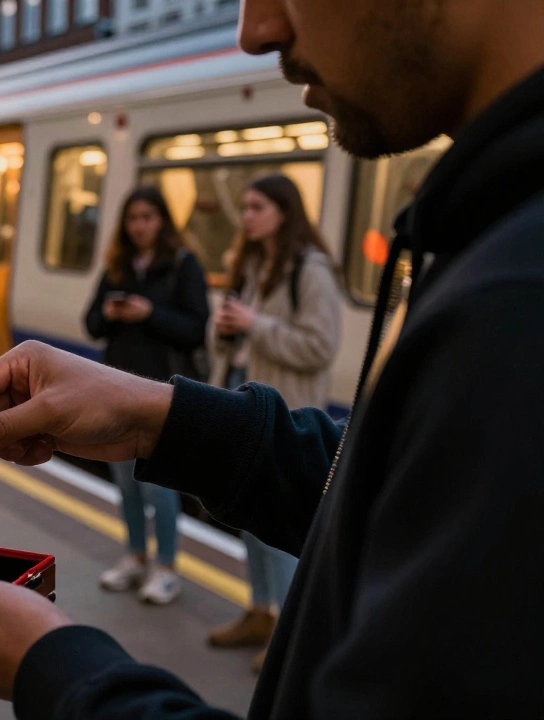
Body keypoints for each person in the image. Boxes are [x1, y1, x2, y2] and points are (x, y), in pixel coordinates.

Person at [0, 0, 544, 716]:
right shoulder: (499, 237)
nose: (256, 30)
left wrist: (54, 670)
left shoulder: (517, 300)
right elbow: (400, 492)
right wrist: (164, 420)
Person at [207, 173, 342, 671]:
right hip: (244, 402)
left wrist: (253, 326)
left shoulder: (311, 268)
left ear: (284, 211)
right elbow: (228, 336)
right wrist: (223, 330)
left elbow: (321, 346)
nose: (246, 216)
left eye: (257, 206)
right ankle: (260, 610)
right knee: (249, 519)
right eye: (244, 206)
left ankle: (288, 635)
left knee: (281, 526)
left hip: (287, 413)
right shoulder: (250, 263)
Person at [85, 186, 209, 606]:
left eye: (148, 217)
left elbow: (196, 328)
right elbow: (91, 324)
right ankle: (136, 556)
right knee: (125, 482)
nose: (139, 226)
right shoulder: (117, 267)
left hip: (163, 395)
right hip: (115, 390)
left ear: (162, 221)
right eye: (133, 218)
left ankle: (168, 567)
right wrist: (108, 312)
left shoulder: (182, 266)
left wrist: (149, 314)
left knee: (160, 487)